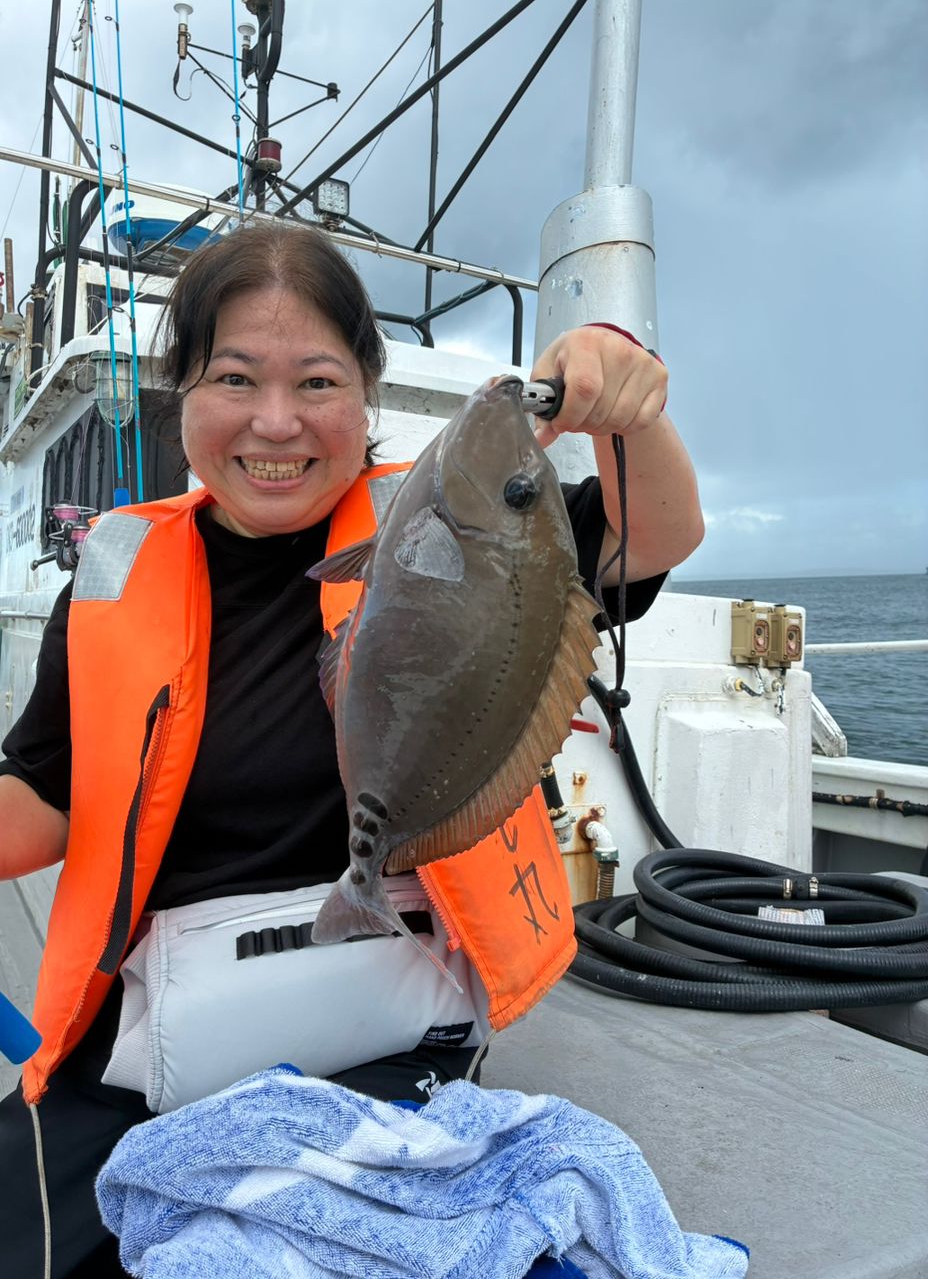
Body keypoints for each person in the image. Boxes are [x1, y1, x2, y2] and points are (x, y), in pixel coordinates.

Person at [0, 221, 703, 1276]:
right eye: (234, 376)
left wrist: (626, 403)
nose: (275, 422)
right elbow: (42, 798)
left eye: (317, 381)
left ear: (364, 394)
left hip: (386, 1004)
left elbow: (653, 534)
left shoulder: (471, 518)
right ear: (180, 390)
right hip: (151, 1022)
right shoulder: (111, 575)